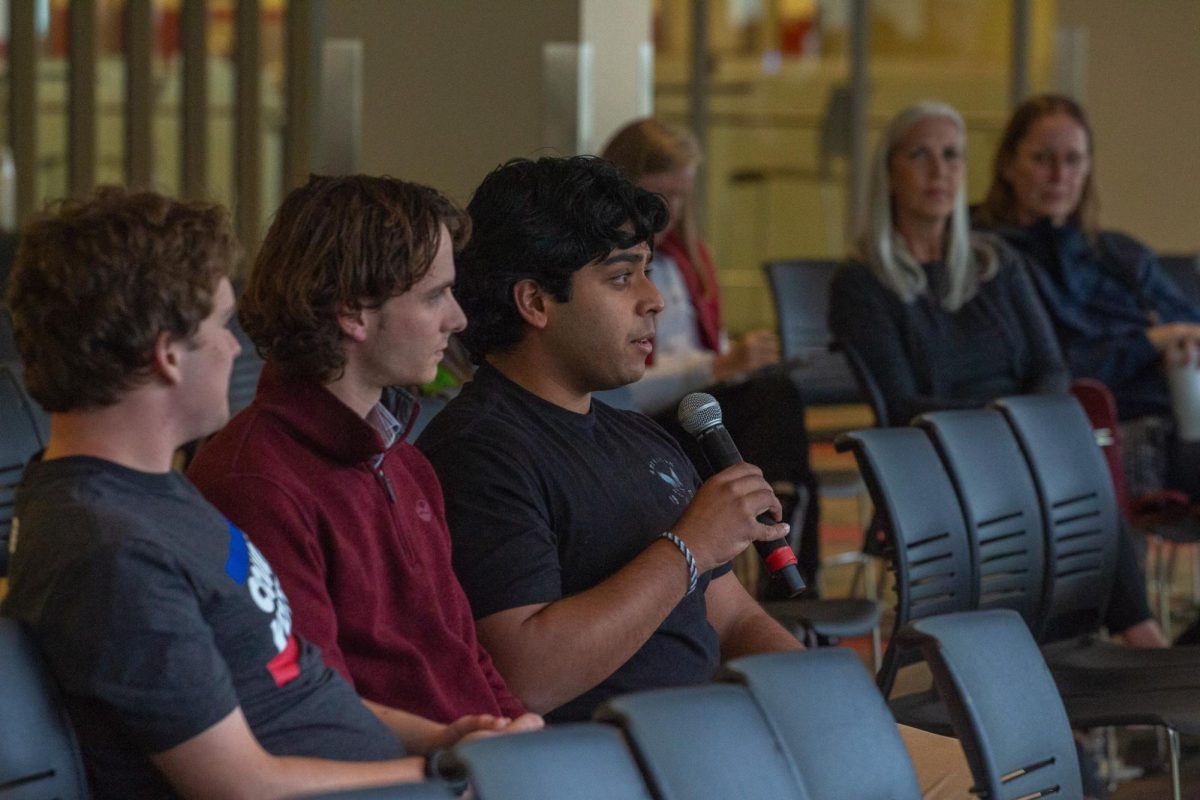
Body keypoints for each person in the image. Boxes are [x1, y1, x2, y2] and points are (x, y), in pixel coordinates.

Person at [416, 155, 972, 797]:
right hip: (622, 770)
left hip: (719, 743)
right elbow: (527, 675)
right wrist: (689, 548)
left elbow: (730, 620)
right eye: (623, 279)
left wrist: (830, 699)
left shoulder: (637, 435)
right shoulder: (481, 452)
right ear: (536, 302)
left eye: (647, 273)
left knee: (989, 774)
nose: (654, 301)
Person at [0, 187, 490, 798]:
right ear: (167, 356)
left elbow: (295, 688)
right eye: (218, 327)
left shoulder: (150, 497)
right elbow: (239, 786)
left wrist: (443, 742)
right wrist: (452, 774)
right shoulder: (113, 550)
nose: (237, 348)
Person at [188, 175, 539, 738]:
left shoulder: (406, 463)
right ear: (353, 312)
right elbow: (311, 708)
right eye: (434, 296)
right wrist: (470, 753)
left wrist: (520, 731)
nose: (458, 320)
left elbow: (466, 656)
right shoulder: (254, 482)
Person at [601, 118, 820, 589]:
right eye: (658, 194)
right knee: (772, 404)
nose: (671, 209)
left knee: (775, 393)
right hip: (647, 424)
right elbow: (625, 387)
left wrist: (737, 360)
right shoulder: (608, 267)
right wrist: (718, 366)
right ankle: (784, 556)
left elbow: (701, 351)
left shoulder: (685, 258)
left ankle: (783, 523)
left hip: (694, 413)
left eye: (682, 194)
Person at [976, 93, 1200, 498]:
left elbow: (1187, 327)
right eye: (1043, 159)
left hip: (1178, 418)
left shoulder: (1120, 254)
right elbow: (1054, 372)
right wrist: (1149, 344)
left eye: (1074, 160)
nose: (1060, 175)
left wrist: (1180, 347)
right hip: (1082, 434)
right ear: (1008, 165)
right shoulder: (991, 260)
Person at [829, 100, 1069, 427]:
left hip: (1024, 439)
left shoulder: (998, 260)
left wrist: (1026, 424)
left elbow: (1050, 370)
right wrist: (1001, 423)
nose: (938, 171)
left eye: (951, 155)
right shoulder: (860, 281)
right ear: (889, 173)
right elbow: (900, 404)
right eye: (919, 155)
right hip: (938, 449)